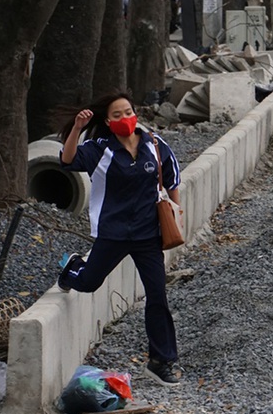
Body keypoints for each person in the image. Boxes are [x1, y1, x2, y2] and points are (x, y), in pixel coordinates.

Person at [56, 91, 182, 387]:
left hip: (148, 234)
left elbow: (173, 177)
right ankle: (72, 269)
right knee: (88, 283)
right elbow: (68, 159)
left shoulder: (153, 143)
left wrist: (176, 214)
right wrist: (76, 128)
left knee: (157, 295)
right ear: (107, 121)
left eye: (128, 112)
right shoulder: (99, 149)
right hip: (112, 233)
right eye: (117, 115)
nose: (125, 119)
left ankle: (161, 361)